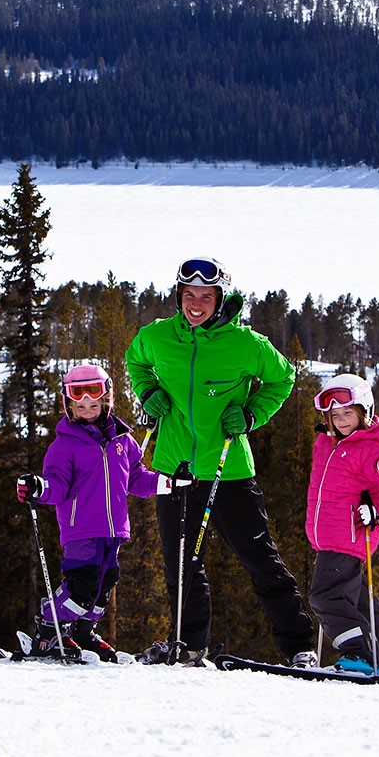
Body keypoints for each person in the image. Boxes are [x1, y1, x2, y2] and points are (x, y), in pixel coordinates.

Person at [124, 257, 319, 667]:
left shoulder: (247, 344)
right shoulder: (157, 337)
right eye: (189, 295)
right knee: (181, 563)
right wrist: (148, 392)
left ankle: (300, 646)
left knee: (259, 559)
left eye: (206, 296)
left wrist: (250, 414)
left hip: (228, 470)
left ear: (221, 298)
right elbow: (136, 362)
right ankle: (189, 646)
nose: (197, 304)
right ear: (179, 297)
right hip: (175, 468)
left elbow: (283, 378)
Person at [14, 363, 170, 661]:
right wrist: (38, 488)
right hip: (82, 529)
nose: (87, 407)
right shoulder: (65, 445)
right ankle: (49, 629)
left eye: (94, 401)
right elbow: (56, 486)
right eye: (79, 403)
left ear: (106, 400)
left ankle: (82, 631)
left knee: (105, 583)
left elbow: (136, 478)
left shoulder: (122, 440)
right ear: (69, 404)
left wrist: (168, 484)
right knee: (81, 586)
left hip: (114, 530)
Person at [304, 372, 379, 675]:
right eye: (334, 414)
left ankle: (360, 654)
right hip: (329, 536)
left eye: (347, 413)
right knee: (358, 600)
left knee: (325, 596)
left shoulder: (370, 449)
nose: (340, 420)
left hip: (348, 536)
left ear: (364, 412)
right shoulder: (327, 444)